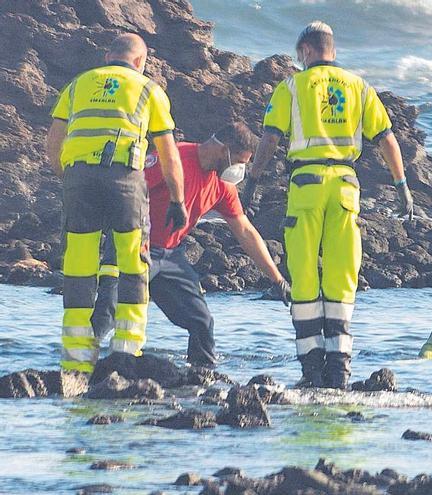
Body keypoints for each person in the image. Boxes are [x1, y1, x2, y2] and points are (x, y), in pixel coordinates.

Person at [241, 21, 413, 389]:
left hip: (305, 186)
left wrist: (252, 182)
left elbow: (270, 140)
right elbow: (387, 140)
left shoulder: (292, 86)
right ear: (332, 49)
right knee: (342, 278)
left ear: (304, 51)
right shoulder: (360, 87)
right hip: (346, 189)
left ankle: (311, 371)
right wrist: (402, 186)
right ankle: (339, 371)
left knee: (304, 278)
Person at [91, 122, 291, 367]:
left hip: (170, 256)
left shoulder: (222, 185)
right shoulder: (173, 159)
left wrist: (277, 279)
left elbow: (245, 231)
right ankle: (79, 369)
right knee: (106, 316)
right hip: (133, 246)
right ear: (224, 150)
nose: (241, 169)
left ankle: (201, 379)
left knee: (202, 322)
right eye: (240, 161)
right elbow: (127, 192)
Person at [46, 33, 187, 373]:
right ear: (141, 61)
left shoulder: (78, 84)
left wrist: (68, 179)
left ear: (108, 55)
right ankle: (126, 352)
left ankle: (76, 361)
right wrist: (178, 199)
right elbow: (168, 154)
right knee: (133, 263)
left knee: (79, 265)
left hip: (79, 179)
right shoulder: (148, 88)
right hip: (124, 180)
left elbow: (53, 142)